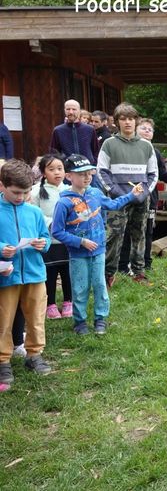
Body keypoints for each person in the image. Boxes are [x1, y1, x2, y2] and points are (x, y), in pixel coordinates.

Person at [52, 154, 142, 335]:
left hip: (99, 251)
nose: (87, 177)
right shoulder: (64, 203)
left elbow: (113, 204)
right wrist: (80, 242)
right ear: (69, 176)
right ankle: (80, 321)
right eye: (81, 174)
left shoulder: (95, 193)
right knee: (80, 288)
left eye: (89, 173)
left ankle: (100, 319)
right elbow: (57, 231)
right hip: (78, 254)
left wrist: (131, 195)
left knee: (100, 285)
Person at [0, 159, 52, 387]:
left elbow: (46, 237)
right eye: (16, 192)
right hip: (6, 276)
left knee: (36, 317)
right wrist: (2, 248)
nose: (21, 197)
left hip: (34, 273)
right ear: (2, 185)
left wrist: (43, 244)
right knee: (3, 319)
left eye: (26, 192)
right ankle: (3, 361)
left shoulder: (34, 212)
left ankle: (34, 355)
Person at [97, 102, 157, 287]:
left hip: (141, 198)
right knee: (114, 235)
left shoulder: (146, 145)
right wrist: (115, 191)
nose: (128, 122)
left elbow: (153, 173)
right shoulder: (109, 143)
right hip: (117, 199)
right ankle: (108, 274)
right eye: (123, 119)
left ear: (136, 121)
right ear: (117, 122)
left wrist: (144, 192)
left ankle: (139, 272)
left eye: (131, 118)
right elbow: (101, 171)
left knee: (139, 234)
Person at [119, 118, 167, 272]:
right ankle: (123, 265)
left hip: (150, 197)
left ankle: (146, 263)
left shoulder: (155, 152)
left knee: (147, 230)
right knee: (126, 230)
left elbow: (163, 175)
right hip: (128, 195)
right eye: (143, 128)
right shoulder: (126, 148)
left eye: (150, 130)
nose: (147, 131)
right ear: (136, 130)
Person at [30, 154, 72, 319]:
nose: (57, 172)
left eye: (60, 168)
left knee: (67, 272)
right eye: (51, 169)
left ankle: (69, 301)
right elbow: (35, 213)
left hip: (67, 240)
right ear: (43, 172)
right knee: (51, 273)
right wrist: (52, 223)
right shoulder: (36, 191)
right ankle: (51, 304)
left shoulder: (69, 190)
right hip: (49, 241)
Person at [49, 99, 100, 165]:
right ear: (64, 110)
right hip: (68, 168)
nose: (71, 112)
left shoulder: (89, 129)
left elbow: (96, 150)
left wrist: (94, 165)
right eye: (68, 109)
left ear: (79, 111)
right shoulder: (58, 130)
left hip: (88, 168)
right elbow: (54, 153)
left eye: (74, 109)